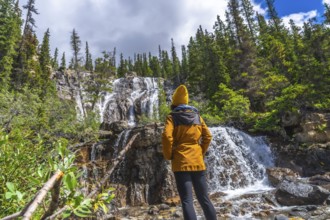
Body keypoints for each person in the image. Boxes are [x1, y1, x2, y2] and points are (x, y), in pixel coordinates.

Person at [162, 85, 217, 220]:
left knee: (187, 200)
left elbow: (166, 136)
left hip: (181, 161)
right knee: (204, 198)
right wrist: (200, 152)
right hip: (197, 161)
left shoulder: (172, 117)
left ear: (174, 102)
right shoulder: (197, 116)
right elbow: (208, 136)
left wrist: (169, 155)